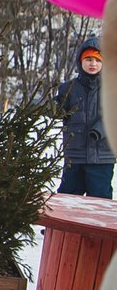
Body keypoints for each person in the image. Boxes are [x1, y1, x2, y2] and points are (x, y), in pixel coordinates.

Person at [55, 38, 114, 198]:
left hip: (102, 157)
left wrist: (99, 130)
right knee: (68, 199)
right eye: (88, 59)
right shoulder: (68, 88)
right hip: (75, 155)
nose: (92, 63)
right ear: (80, 61)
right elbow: (57, 110)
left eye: (97, 59)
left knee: (100, 201)